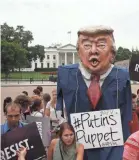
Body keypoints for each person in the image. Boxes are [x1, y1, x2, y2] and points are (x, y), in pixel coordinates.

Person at [56, 26, 132, 160]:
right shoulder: (65, 74)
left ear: (112, 53)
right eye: (86, 45)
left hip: (112, 149)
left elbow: (126, 115)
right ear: (79, 52)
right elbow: (59, 109)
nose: (93, 51)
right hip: (77, 149)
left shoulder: (122, 76)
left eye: (101, 45)